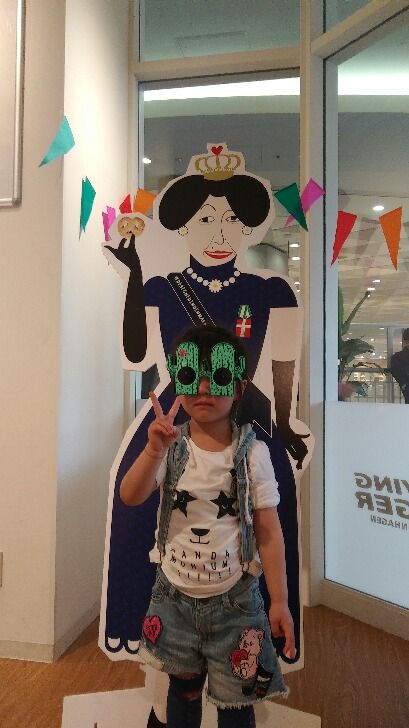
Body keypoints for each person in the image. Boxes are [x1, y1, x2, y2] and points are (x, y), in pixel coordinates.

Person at [102, 145, 310, 676]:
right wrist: (133, 276)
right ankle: (149, 631)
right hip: (176, 409)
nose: (219, 233)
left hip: (245, 407)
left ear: (248, 228)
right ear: (184, 228)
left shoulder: (271, 290)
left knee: (272, 512)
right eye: (205, 220)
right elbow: (136, 354)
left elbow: (282, 363)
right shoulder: (161, 287)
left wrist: (285, 423)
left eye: (230, 221)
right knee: (135, 503)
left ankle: (265, 625)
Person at [120, 325, 294, 728]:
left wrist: (280, 601)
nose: (202, 388)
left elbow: (269, 533)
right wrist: (153, 449)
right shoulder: (169, 446)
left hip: (236, 604)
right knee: (182, 693)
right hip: (173, 599)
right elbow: (130, 495)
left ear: (239, 386)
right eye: (189, 376)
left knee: (238, 704)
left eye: (217, 376)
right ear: (178, 383)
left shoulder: (253, 455)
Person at [389, 328, 409, 403]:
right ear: (406, 341)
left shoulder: (397, 357)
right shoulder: (398, 357)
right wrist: (405, 385)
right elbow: (399, 374)